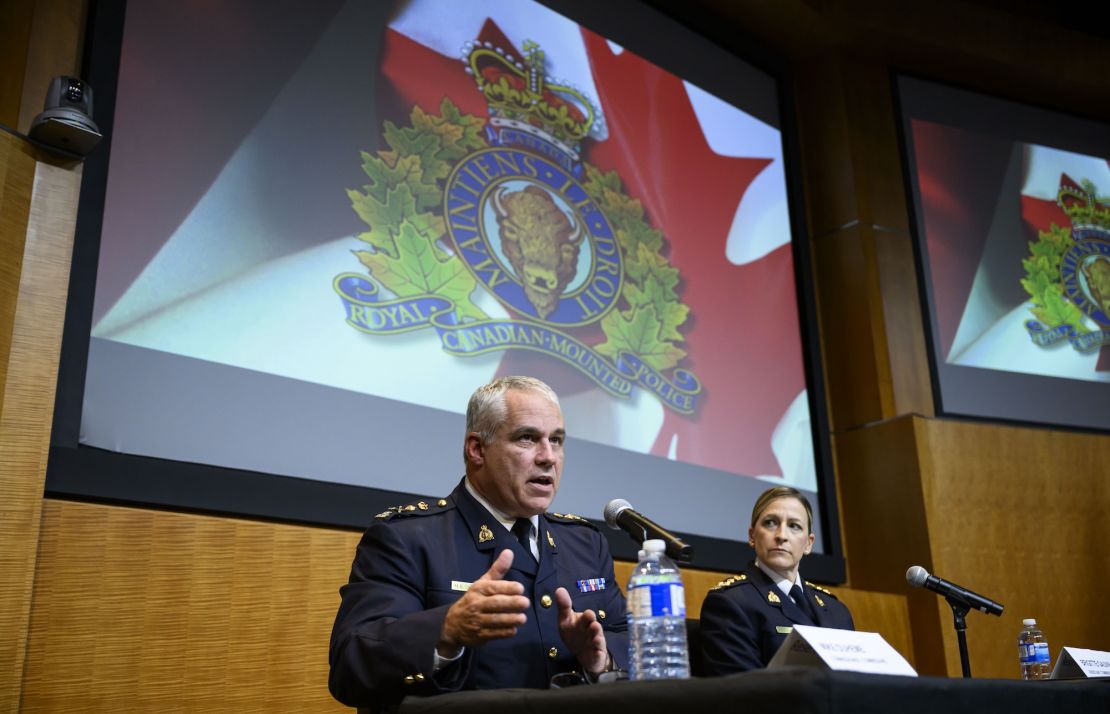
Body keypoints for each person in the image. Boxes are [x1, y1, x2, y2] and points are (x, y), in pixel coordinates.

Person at [328, 376, 628, 709]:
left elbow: (630, 647)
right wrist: (446, 630)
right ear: (477, 449)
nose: (548, 457)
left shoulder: (585, 544)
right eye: (527, 438)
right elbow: (350, 667)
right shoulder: (407, 538)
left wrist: (600, 663)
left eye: (556, 441)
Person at [698, 486, 854, 674]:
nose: (781, 536)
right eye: (771, 523)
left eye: (794, 526)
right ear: (752, 536)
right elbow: (740, 692)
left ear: (808, 543)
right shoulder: (730, 603)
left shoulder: (837, 610)